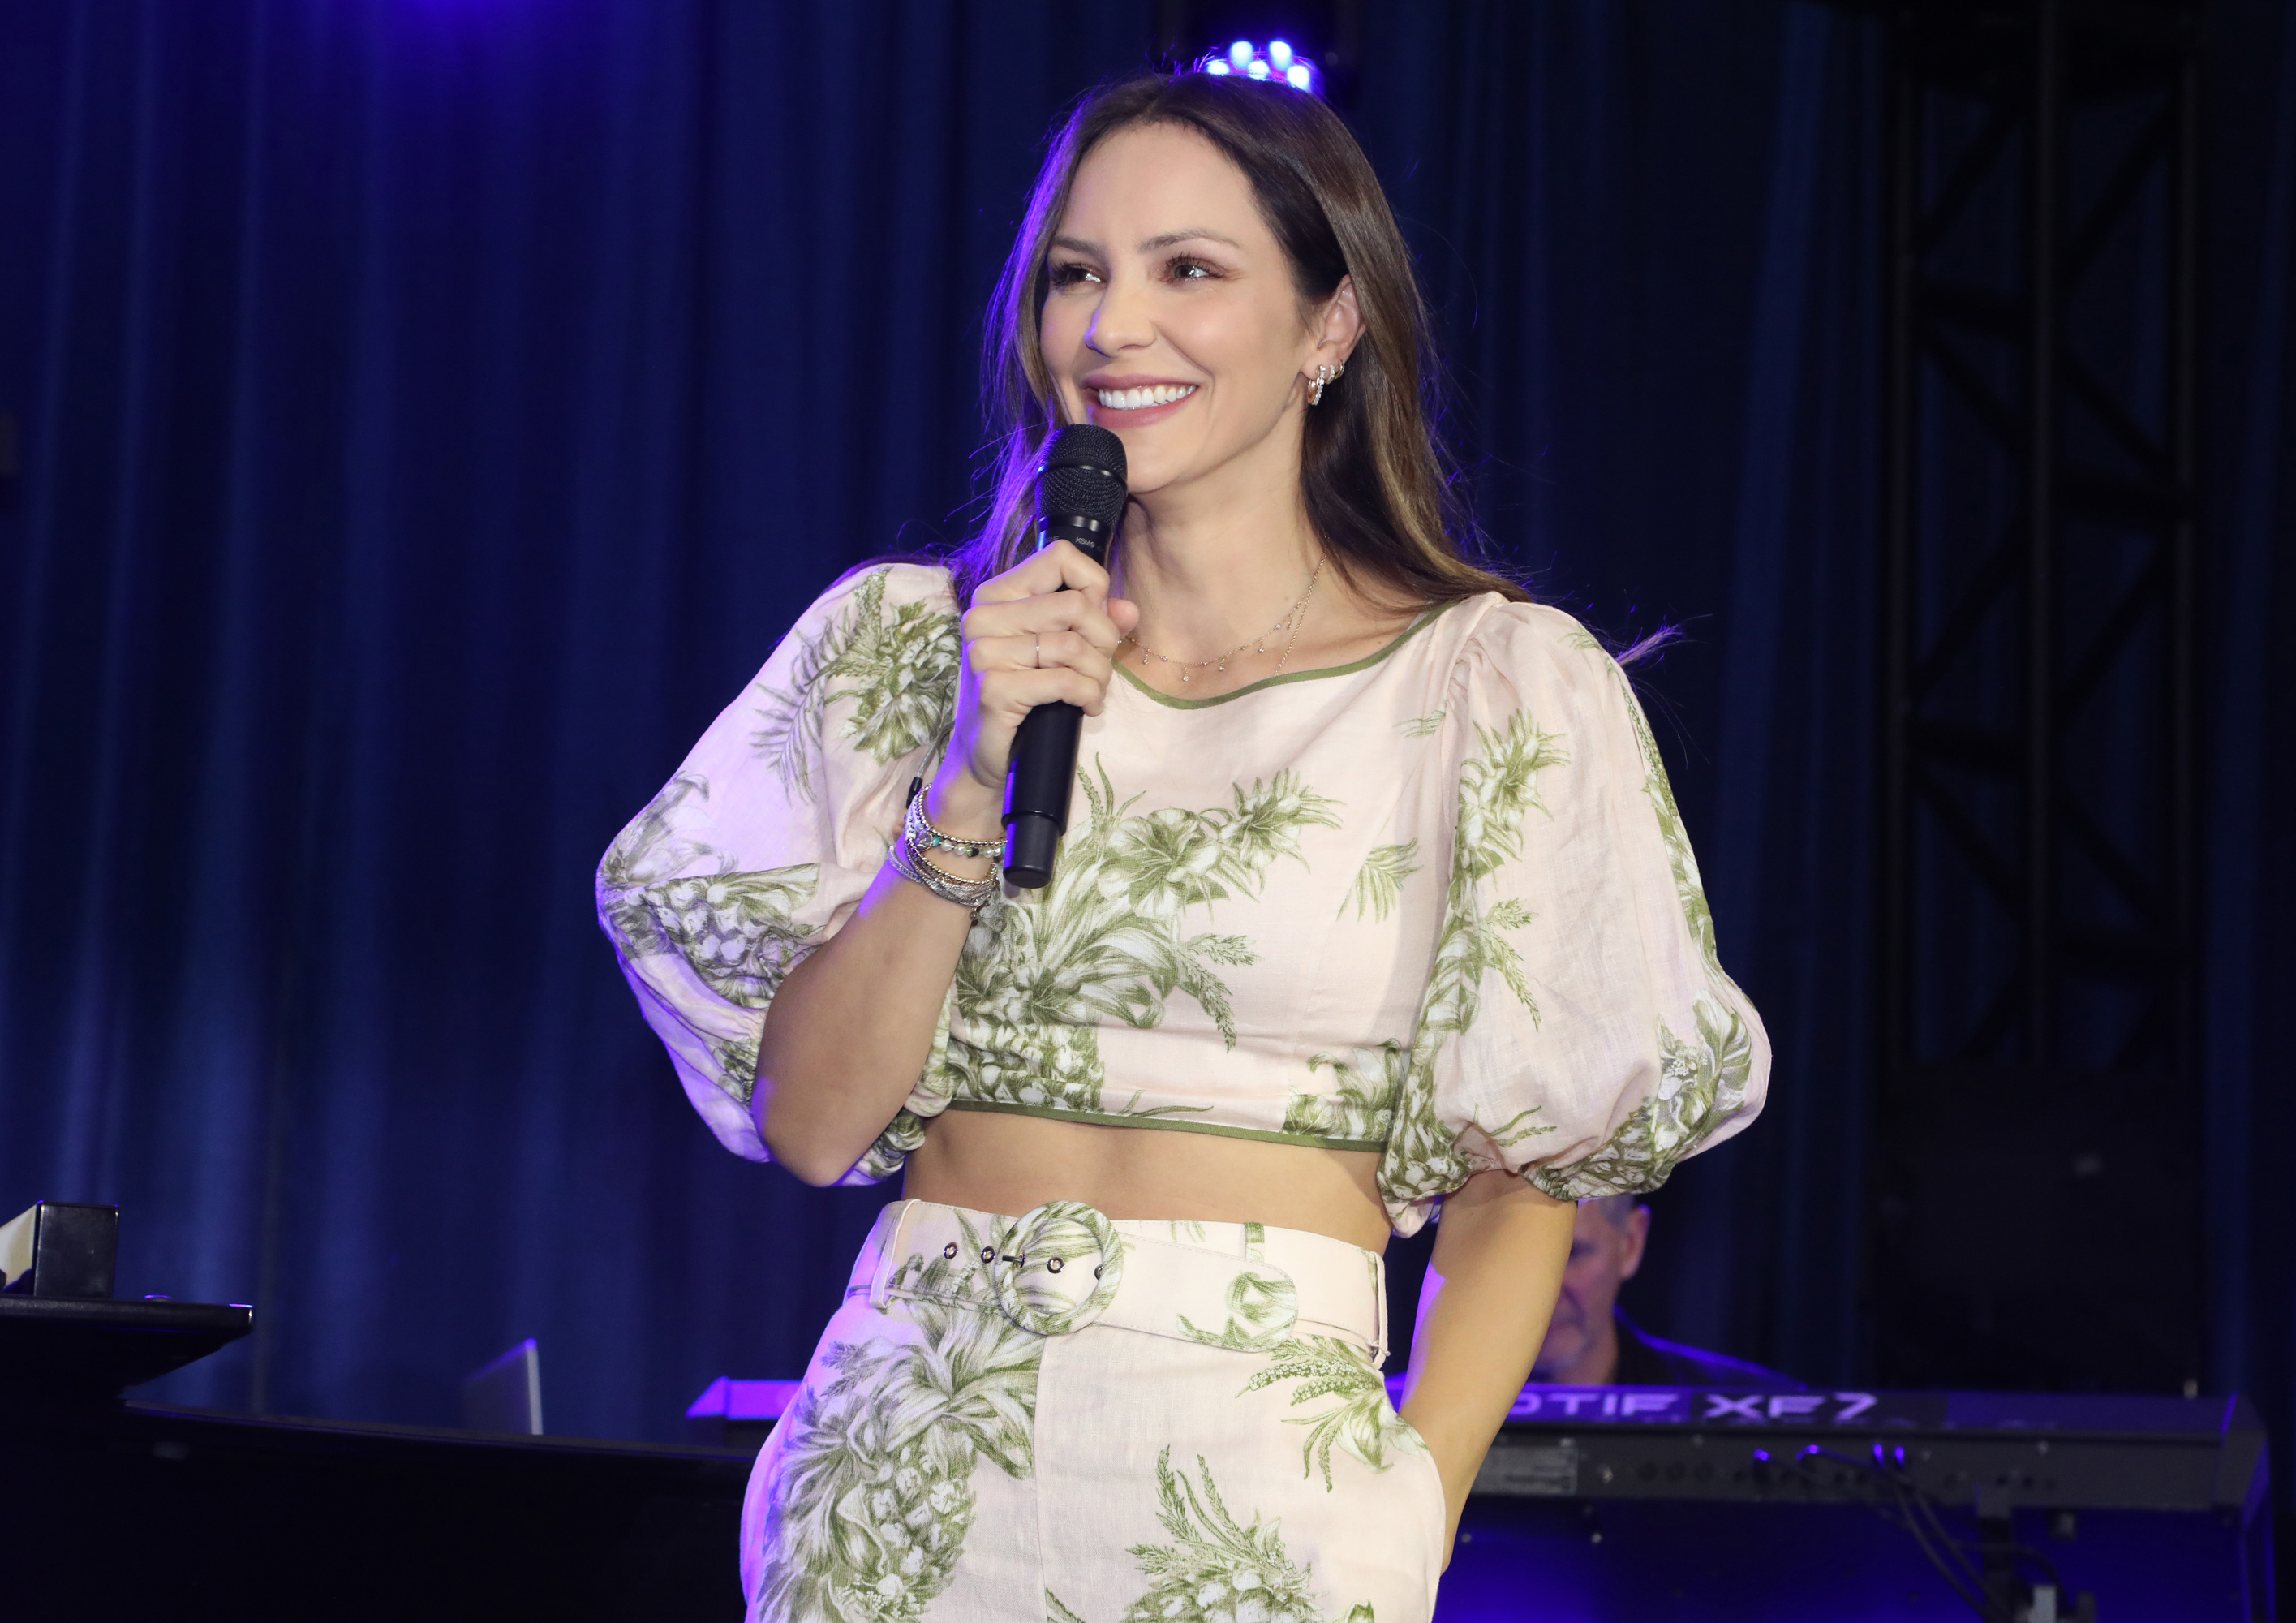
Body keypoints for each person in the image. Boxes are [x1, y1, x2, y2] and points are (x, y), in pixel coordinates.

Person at [598, 69, 1769, 1623]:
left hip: (1264, 1491)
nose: (1113, 327)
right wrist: (968, 776)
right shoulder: (910, 649)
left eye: (1189, 270)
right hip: (907, 1462)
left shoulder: (1489, 686)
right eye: (1075, 273)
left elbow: (1526, 1177)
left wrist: (1410, 1509)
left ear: (1330, 327)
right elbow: (814, 1130)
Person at [1534, 1194, 1800, 1388]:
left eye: (1571, 1254)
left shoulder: (1770, 1418)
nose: (1542, 1295)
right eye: (1514, 1258)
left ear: (1631, 1243)